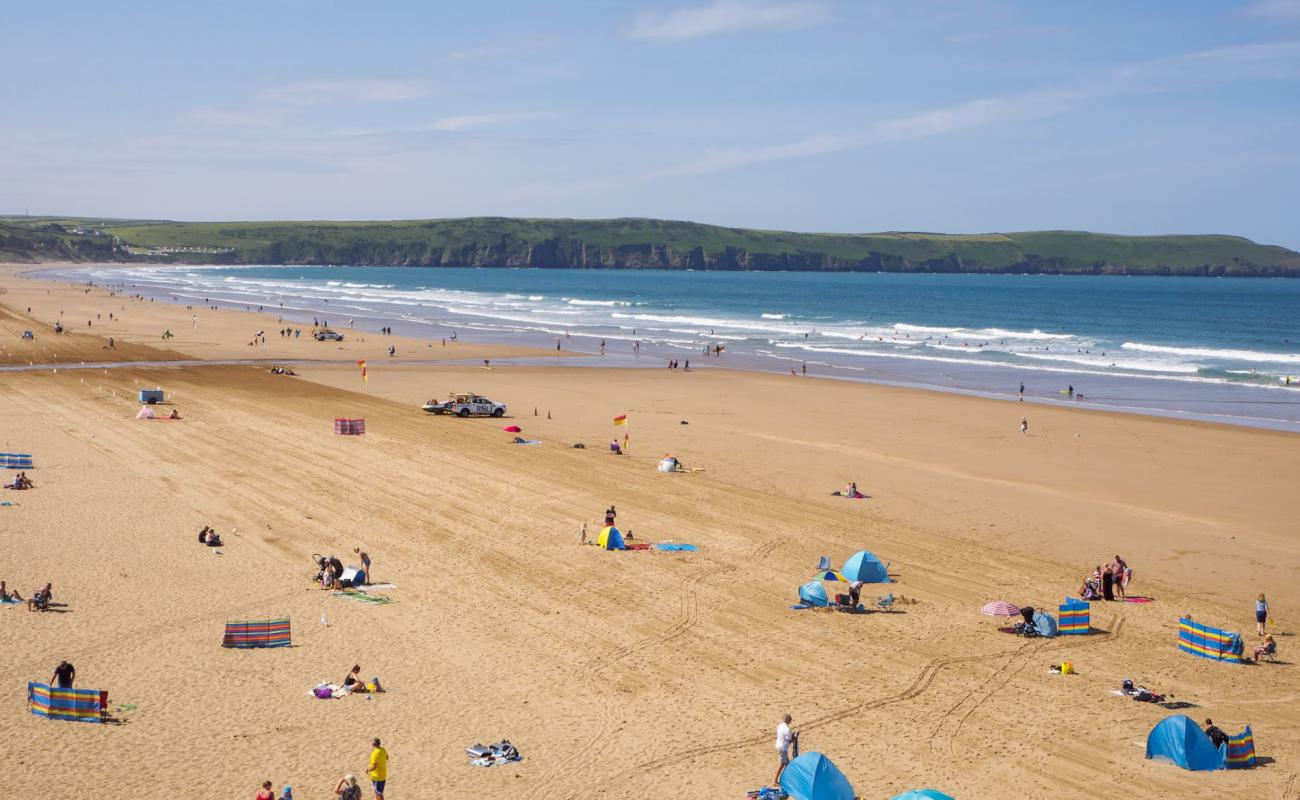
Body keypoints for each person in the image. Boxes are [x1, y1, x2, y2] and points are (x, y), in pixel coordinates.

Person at [774, 714, 795, 785]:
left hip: (778, 745)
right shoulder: (787, 729)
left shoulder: (780, 726)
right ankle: (775, 780)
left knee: (788, 764)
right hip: (783, 747)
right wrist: (794, 738)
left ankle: (790, 780)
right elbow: (789, 741)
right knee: (782, 763)